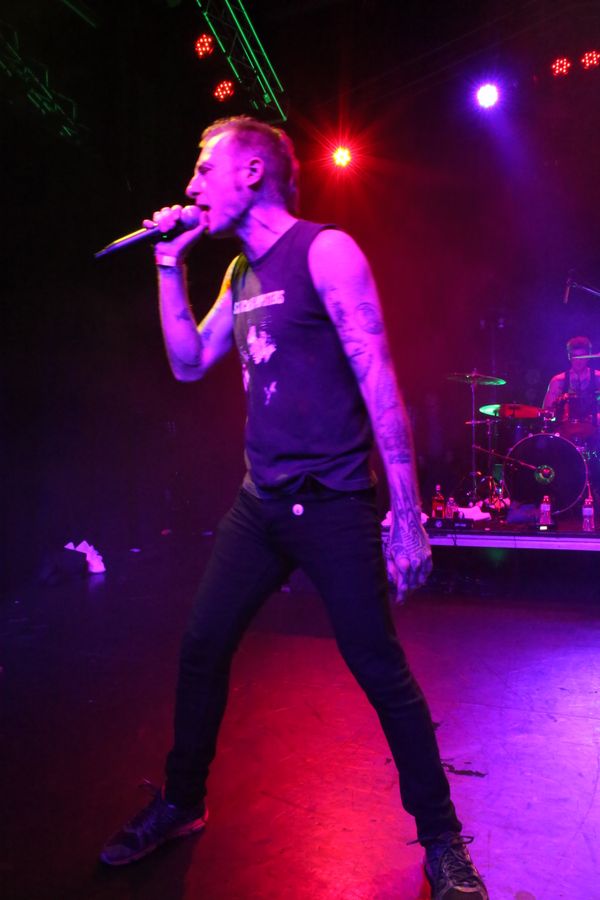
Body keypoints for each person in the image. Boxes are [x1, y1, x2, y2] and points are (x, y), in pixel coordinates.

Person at [100, 116, 488, 900]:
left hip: (335, 500)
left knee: (378, 667)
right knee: (203, 644)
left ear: (251, 173)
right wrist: (169, 266)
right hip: (262, 502)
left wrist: (407, 514)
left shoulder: (326, 252)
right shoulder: (237, 272)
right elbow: (189, 363)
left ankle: (443, 842)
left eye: (203, 168)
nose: (190, 185)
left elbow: (377, 375)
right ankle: (183, 801)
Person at [543, 336, 600, 441]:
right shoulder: (558, 381)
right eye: (575, 357)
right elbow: (546, 412)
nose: (578, 361)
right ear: (569, 356)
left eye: (582, 356)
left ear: (588, 357)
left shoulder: (598, 378)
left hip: (594, 435)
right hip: (565, 435)